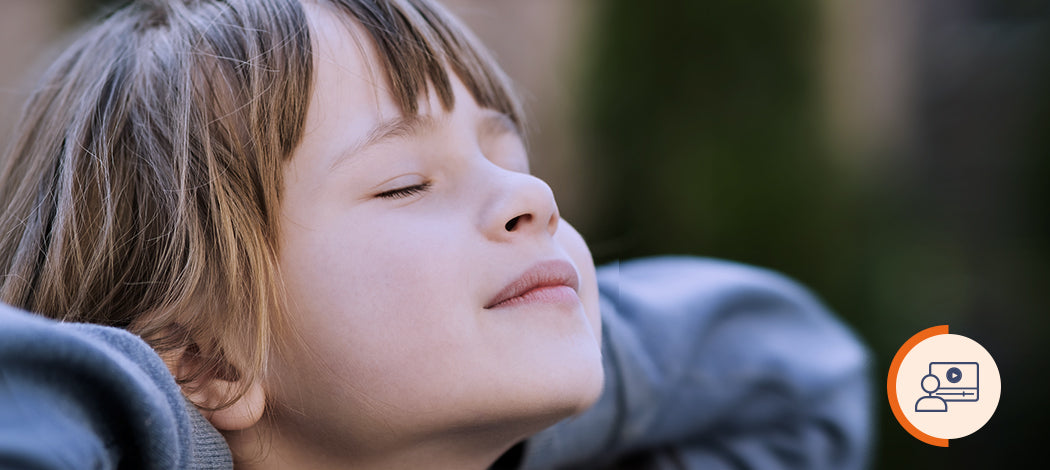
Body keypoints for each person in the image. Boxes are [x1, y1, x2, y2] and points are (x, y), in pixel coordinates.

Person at [0, 0, 872, 468]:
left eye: (508, 154)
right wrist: (165, 418)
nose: (530, 195)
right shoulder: (185, 375)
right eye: (405, 183)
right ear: (202, 356)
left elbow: (797, 376)